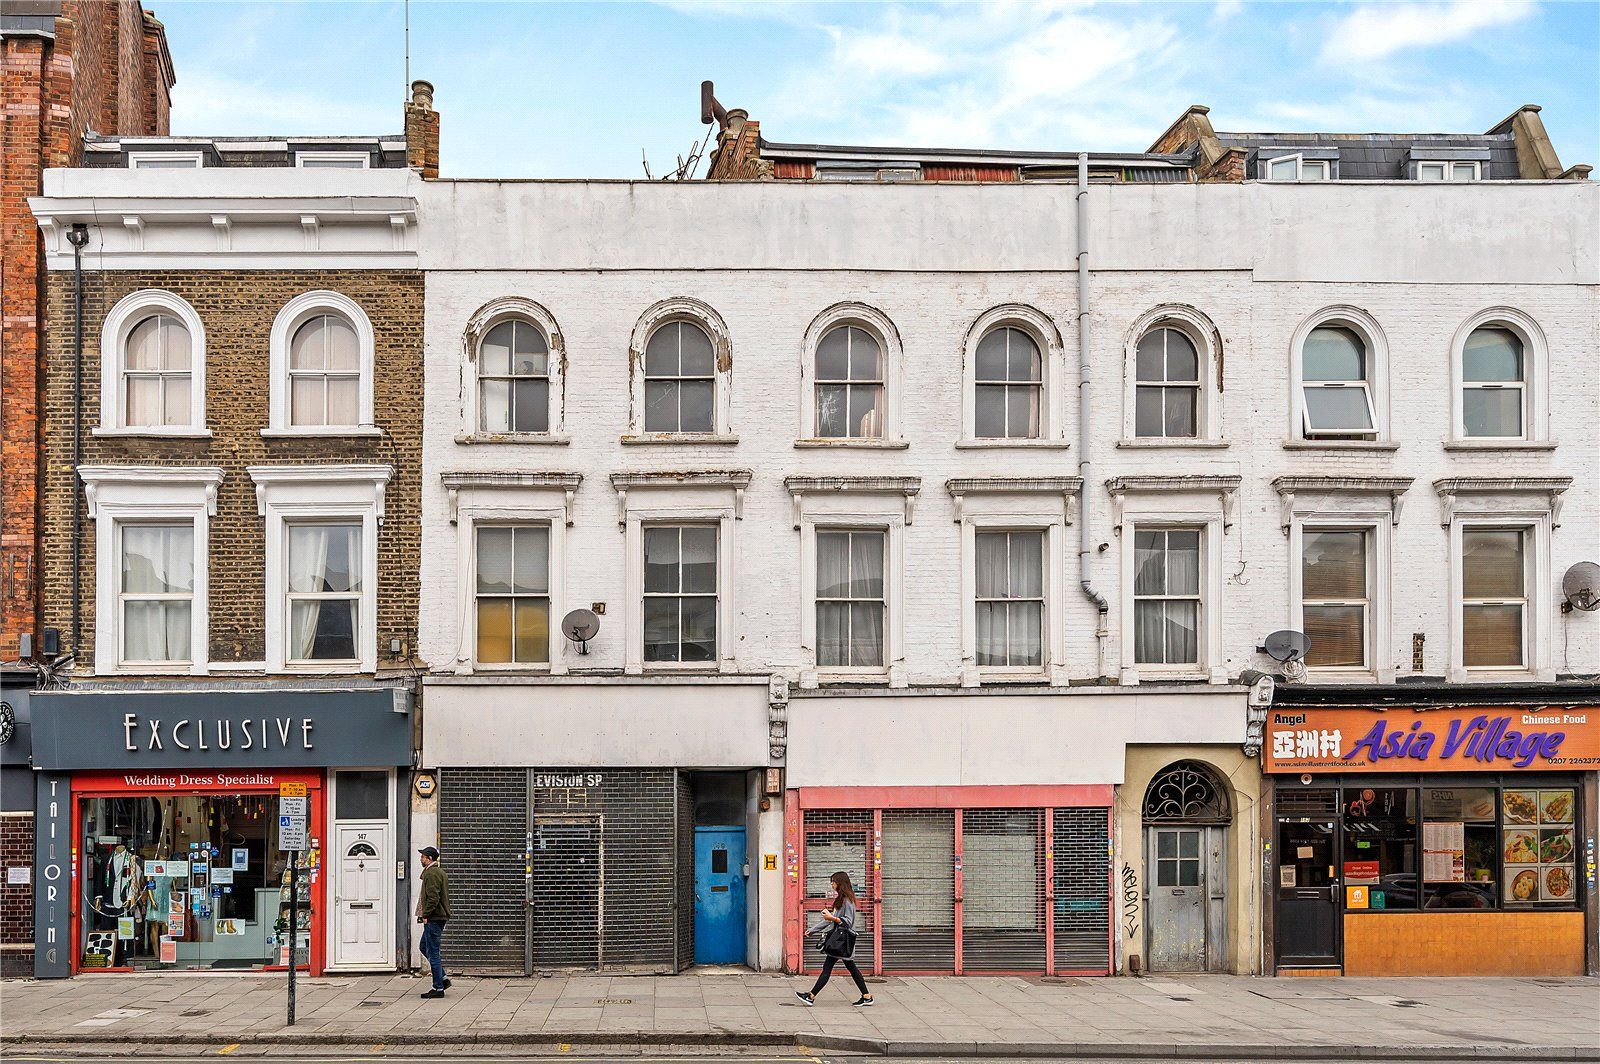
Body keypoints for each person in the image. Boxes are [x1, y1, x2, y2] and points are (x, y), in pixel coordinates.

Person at [795, 870, 873, 1007]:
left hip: (843, 941)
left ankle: (811, 996)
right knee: (850, 969)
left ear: (840, 883)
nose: (832, 884)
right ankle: (866, 996)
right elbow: (829, 920)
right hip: (839, 941)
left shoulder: (848, 901)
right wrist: (813, 930)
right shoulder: (841, 899)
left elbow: (848, 921)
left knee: (830, 969)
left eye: (833, 882)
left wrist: (831, 917)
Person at [416, 846, 452, 998]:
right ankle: (442, 978)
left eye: (423, 857)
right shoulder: (437, 872)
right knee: (424, 946)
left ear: (429, 858)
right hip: (436, 917)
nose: (421, 859)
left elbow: (433, 898)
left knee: (433, 952)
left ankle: (438, 988)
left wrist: (426, 914)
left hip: (434, 918)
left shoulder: (432, 873)